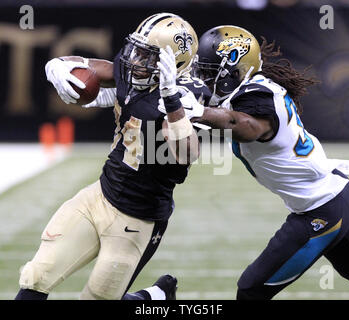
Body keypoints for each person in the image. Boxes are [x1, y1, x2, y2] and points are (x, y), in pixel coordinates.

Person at [15, 12, 211, 300]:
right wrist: (57, 66)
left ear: (172, 63)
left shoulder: (185, 96)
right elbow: (97, 67)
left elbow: (187, 153)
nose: (135, 60)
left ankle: (153, 297)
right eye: (138, 50)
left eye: (147, 56)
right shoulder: (136, 70)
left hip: (138, 220)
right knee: (36, 277)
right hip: (99, 196)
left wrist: (170, 98)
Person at [190, 25, 349, 300]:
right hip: (333, 191)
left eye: (210, 72)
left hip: (321, 208)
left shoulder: (256, 98)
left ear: (235, 69)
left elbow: (241, 123)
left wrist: (197, 111)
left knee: (250, 290)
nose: (204, 79)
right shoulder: (255, 86)